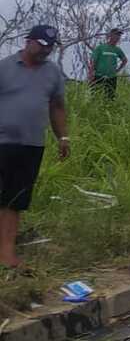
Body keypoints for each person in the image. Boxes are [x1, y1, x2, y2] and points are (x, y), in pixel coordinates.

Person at [0, 25, 69, 270]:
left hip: (31, 144)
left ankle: (6, 254)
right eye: (41, 44)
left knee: (15, 200)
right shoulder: (5, 67)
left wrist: (63, 138)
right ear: (27, 41)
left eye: (50, 46)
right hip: (2, 142)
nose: (45, 50)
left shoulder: (53, 73)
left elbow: (57, 106)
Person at [88, 28, 127, 97]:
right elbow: (93, 61)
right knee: (95, 96)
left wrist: (117, 70)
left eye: (119, 35)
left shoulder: (117, 50)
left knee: (110, 98)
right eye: (116, 35)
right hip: (99, 76)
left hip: (111, 77)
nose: (118, 37)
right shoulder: (100, 47)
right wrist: (91, 74)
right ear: (111, 35)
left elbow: (125, 60)